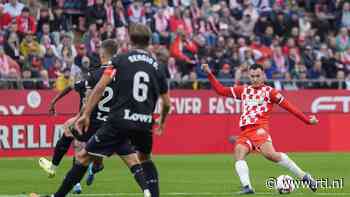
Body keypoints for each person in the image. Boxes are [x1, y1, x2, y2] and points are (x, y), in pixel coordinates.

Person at [201, 63, 318, 194]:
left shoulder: (270, 92)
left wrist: (307, 120)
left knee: (270, 155)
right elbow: (220, 90)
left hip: (259, 129)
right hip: (245, 131)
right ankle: (247, 187)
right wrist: (209, 73)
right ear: (249, 76)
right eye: (252, 76)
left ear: (263, 76)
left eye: (258, 76)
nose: (255, 79)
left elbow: (290, 107)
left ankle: (304, 176)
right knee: (239, 153)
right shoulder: (244, 90)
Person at [33, 39, 119, 197]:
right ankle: (94, 168)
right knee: (88, 151)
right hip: (108, 122)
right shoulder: (115, 78)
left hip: (89, 119)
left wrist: (54, 102)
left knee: (74, 140)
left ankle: (59, 171)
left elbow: (71, 88)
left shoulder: (89, 79)